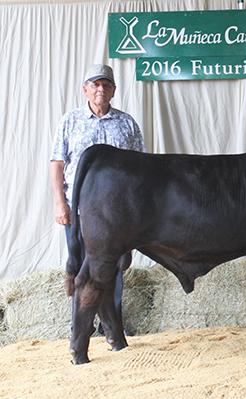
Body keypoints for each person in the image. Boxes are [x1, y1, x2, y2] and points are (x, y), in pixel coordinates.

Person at [50, 64, 145, 335]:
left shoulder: (127, 124)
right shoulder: (70, 121)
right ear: (85, 89)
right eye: (95, 84)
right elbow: (57, 164)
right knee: (81, 265)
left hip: (118, 213)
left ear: (114, 90)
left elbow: (140, 167)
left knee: (116, 265)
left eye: (106, 84)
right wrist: (60, 203)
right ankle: (81, 325)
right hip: (79, 210)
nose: (100, 89)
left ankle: (111, 325)